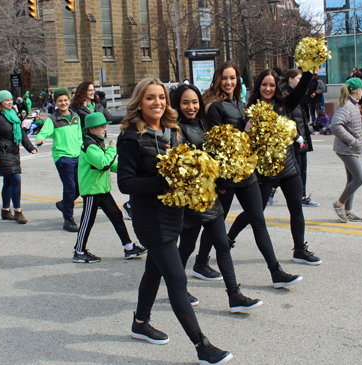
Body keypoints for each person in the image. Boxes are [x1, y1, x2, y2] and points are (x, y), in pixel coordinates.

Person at [117, 77, 233, 365]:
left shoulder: (173, 131)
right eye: (149, 98)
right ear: (139, 103)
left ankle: (140, 322)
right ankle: (202, 346)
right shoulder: (131, 137)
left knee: (154, 270)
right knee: (177, 280)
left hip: (174, 213)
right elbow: (125, 183)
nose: (157, 103)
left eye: (161, 97)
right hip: (150, 218)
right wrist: (163, 181)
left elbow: (188, 165)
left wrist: (206, 178)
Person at [202, 62, 307, 284]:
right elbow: (213, 144)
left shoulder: (242, 106)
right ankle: (201, 261)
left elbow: (248, 141)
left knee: (258, 221)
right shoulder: (215, 107)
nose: (229, 82)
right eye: (224, 78)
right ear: (218, 80)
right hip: (227, 176)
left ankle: (276, 272)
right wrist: (219, 179)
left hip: (246, 173)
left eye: (233, 78)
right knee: (216, 220)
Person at [171, 83, 263, 313]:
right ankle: (176, 289)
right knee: (187, 246)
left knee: (222, 245)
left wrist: (222, 181)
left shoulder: (202, 124)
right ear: (177, 105)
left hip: (210, 195)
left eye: (194, 102)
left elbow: (214, 156)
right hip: (193, 199)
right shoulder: (176, 130)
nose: (191, 107)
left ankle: (234, 296)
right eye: (185, 102)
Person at [227, 67, 322, 265]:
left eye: (271, 84)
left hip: (288, 167)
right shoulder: (249, 107)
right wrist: (246, 129)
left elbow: (302, 89)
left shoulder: (285, 104)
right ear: (258, 86)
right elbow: (244, 142)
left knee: (296, 208)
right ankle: (228, 239)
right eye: (264, 84)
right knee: (256, 211)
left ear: (276, 86)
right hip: (263, 171)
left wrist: (307, 72)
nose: (268, 88)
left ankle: (299, 249)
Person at [73, 112, 147, 263]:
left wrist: (129, 169)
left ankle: (129, 247)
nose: (104, 129)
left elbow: (111, 165)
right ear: (91, 129)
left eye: (104, 126)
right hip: (92, 191)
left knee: (116, 216)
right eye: (101, 127)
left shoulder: (97, 143)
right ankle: (79, 251)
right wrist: (113, 148)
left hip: (102, 190)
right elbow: (104, 163)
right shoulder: (89, 145)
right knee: (88, 221)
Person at [0, 90, 37, 224]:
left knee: (8, 182)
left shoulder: (13, 115)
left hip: (13, 152)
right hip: (2, 153)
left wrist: (30, 147)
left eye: (10, 99)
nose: (9, 102)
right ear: (0, 102)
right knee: (15, 179)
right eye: (6, 100)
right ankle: (18, 211)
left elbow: (22, 133)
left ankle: (5, 210)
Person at [36, 88, 82, 232]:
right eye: (60, 101)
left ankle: (64, 204)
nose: (63, 103)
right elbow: (44, 132)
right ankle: (68, 219)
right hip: (63, 157)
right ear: (55, 102)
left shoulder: (76, 116)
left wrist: (83, 150)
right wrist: (40, 139)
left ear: (69, 100)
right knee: (70, 187)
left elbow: (79, 136)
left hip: (77, 155)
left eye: (65, 100)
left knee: (80, 186)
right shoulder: (52, 119)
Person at [330, 78, 362, 223]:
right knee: (359, 179)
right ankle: (339, 204)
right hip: (346, 149)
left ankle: (348, 211)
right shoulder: (347, 106)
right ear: (357, 90)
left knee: (352, 179)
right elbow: (335, 125)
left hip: (351, 148)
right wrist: (351, 140)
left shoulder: (352, 104)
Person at [282, 69, 318, 207]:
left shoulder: (299, 94)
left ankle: (300, 195)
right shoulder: (286, 95)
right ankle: (300, 196)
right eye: (298, 78)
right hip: (295, 138)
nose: (300, 81)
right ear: (290, 79)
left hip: (302, 136)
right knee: (296, 169)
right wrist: (297, 136)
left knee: (302, 168)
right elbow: (288, 118)